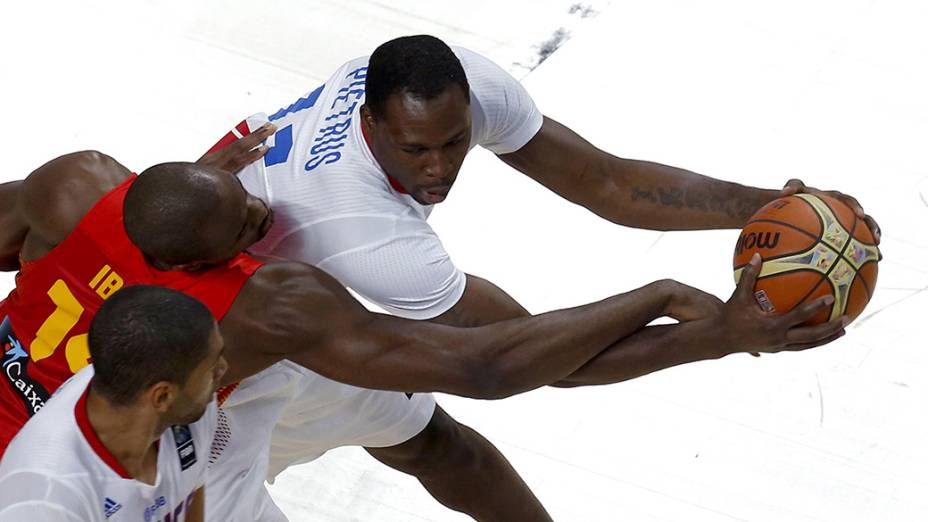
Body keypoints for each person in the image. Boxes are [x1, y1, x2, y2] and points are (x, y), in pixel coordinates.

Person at [0, 146, 839, 521]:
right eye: (250, 218)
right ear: (195, 261)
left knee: (438, 445)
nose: (268, 210)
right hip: (140, 456)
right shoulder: (271, 306)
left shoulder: (79, 190)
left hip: (108, 403)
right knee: (440, 430)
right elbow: (486, 364)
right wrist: (701, 320)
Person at [0, 285, 223, 522]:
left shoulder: (188, 405)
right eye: (212, 368)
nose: (224, 369)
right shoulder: (45, 499)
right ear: (162, 396)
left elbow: (190, 493)